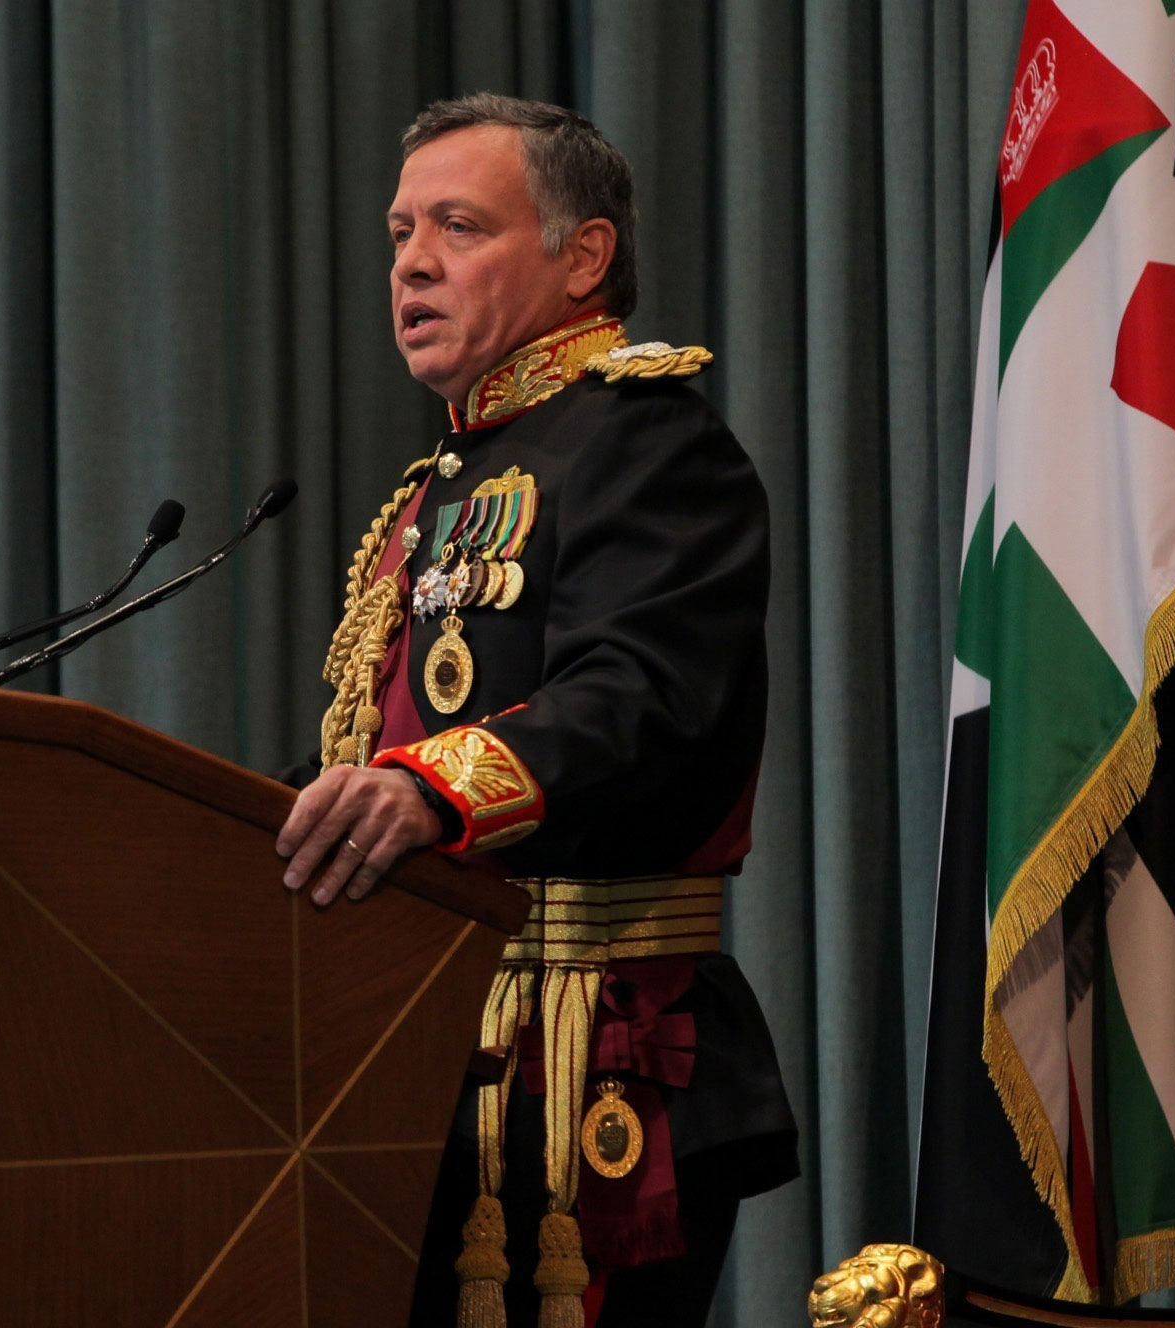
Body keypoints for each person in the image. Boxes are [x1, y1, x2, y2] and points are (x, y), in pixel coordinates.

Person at [275, 94, 798, 1328]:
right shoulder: (438, 487)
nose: (410, 259)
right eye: (401, 230)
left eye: (457, 225)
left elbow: (642, 698)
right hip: (421, 1057)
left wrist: (430, 787)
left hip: (594, 1041)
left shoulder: (645, 439)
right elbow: (359, 744)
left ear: (584, 257)